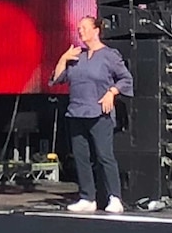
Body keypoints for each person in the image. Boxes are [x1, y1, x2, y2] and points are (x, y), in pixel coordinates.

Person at [49, 15, 133, 214]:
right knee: (81, 157)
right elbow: (58, 78)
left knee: (105, 156)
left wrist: (111, 93)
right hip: (77, 112)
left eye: (84, 28)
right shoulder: (77, 56)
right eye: (79, 28)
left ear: (96, 30)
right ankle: (87, 197)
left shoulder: (109, 55)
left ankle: (114, 197)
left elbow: (126, 79)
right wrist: (63, 58)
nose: (80, 31)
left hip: (98, 114)